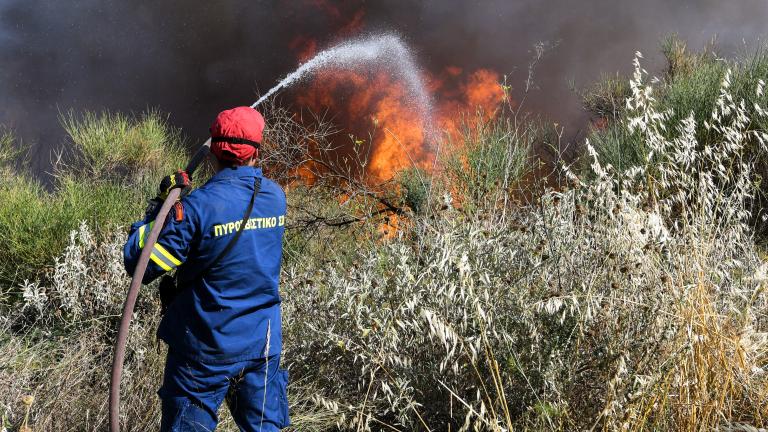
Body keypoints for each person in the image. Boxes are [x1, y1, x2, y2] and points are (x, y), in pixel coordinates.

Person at [123, 106, 289, 431]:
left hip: (204, 351)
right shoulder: (275, 197)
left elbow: (139, 263)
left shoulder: (196, 208)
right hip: (261, 343)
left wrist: (160, 207)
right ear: (257, 150)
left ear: (213, 150)